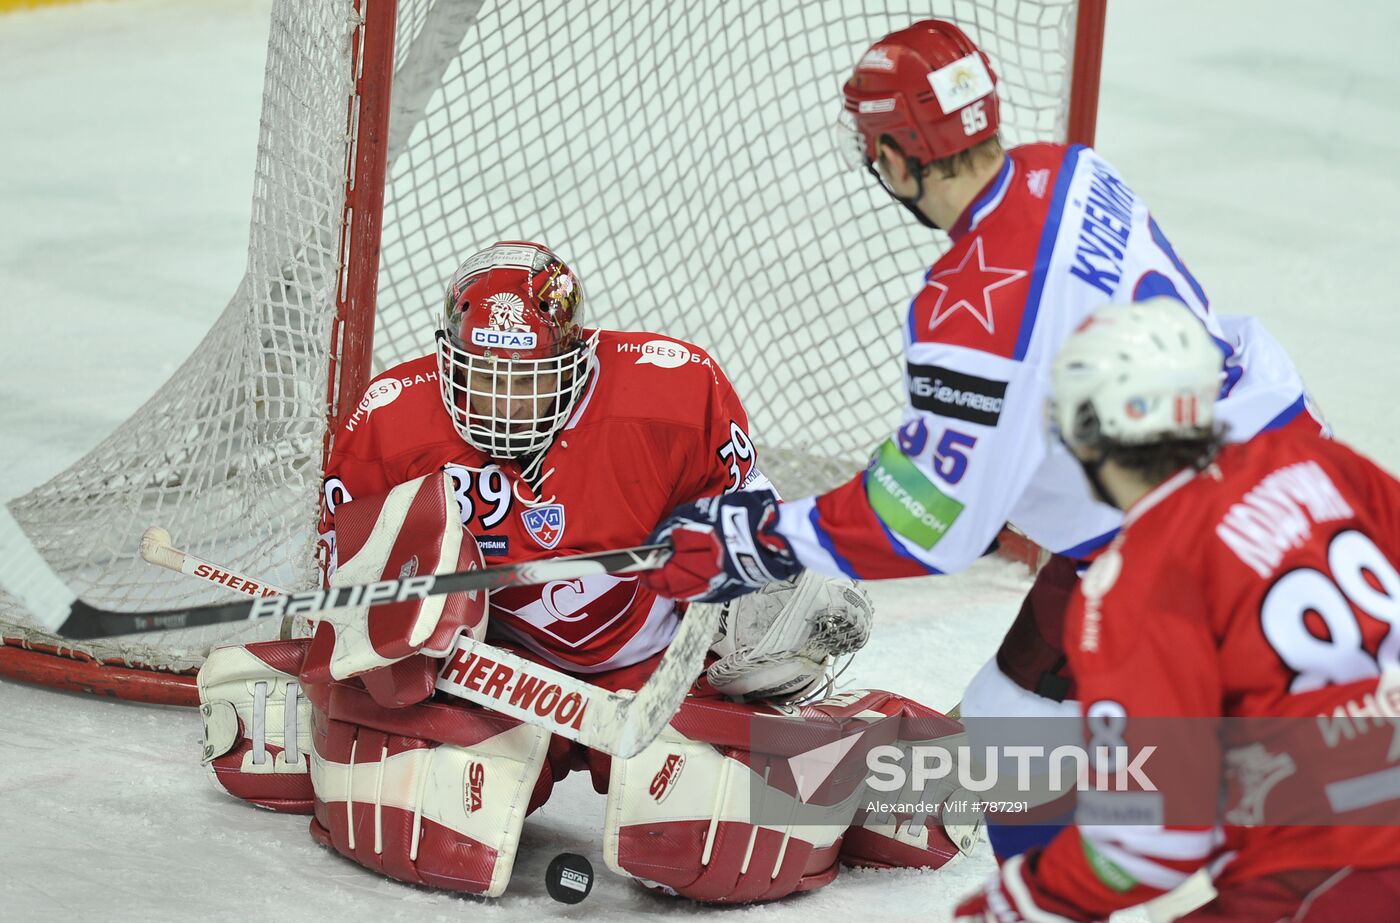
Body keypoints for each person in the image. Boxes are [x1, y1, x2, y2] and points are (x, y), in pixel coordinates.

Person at [640, 19, 1325, 859]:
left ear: (894, 156)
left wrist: (748, 542)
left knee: (1024, 755)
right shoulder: (1073, 170)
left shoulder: (971, 307)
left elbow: (925, 524)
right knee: (1017, 720)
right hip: (1276, 447)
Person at [195, 240, 974, 901]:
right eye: (482, 374)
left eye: (528, 379)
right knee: (425, 819)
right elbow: (346, 596)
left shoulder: (674, 392)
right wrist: (386, 631)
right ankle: (317, 714)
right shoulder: (391, 419)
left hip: (657, 672)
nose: (503, 402)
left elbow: (751, 537)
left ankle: (858, 746)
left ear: (577, 357)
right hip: (482, 676)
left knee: (715, 831)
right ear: (447, 356)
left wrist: (767, 595)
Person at [952, 300, 1400, 922]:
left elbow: (1152, 840)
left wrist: (1016, 904)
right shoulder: (1326, 463)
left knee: (1011, 718)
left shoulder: (1131, 582)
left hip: (1334, 871)